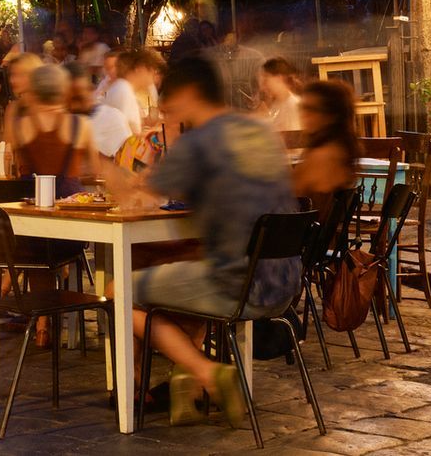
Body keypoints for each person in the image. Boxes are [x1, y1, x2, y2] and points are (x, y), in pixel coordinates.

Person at [116, 55, 300, 426]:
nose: (168, 109)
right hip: (286, 282)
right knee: (177, 278)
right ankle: (186, 377)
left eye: (170, 101)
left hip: (236, 282)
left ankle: (204, 371)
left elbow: (140, 191)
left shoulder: (198, 143)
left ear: (188, 94)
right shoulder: (261, 131)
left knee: (117, 289)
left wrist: (105, 165)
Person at [13, 62, 98, 196]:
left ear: (33, 92)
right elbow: (95, 169)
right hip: (70, 205)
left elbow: (16, 168)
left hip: (30, 204)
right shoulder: (82, 124)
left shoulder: (21, 125)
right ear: (65, 91)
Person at [293, 80, 361, 215]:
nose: (303, 115)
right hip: (321, 233)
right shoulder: (341, 149)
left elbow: (290, 196)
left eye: (311, 109)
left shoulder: (324, 156)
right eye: (302, 108)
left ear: (332, 116)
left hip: (306, 233)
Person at [255, 58, 303, 134]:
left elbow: (294, 141)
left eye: (266, 80)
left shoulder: (293, 105)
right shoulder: (277, 105)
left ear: (279, 78)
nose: (263, 87)